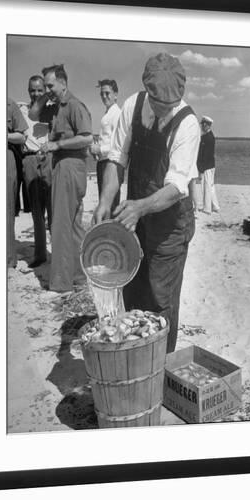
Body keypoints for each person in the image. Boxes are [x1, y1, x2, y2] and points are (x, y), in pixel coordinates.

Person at [93, 53, 200, 352]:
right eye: (158, 104)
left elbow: (177, 187)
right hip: (136, 219)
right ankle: (137, 360)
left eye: (170, 106)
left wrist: (139, 207)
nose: (164, 111)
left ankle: (160, 367)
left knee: (160, 299)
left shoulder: (188, 124)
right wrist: (105, 200)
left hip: (170, 226)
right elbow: (116, 159)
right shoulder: (132, 105)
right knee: (135, 291)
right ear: (148, 93)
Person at [31, 64, 93, 293]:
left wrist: (57, 144)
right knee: (75, 226)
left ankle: (60, 282)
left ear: (64, 83)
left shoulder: (74, 106)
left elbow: (86, 138)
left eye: (50, 85)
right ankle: (78, 277)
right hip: (64, 167)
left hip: (70, 166)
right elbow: (33, 115)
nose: (47, 89)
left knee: (59, 225)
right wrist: (43, 96)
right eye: (45, 85)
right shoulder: (54, 107)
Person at [20, 76, 57, 268]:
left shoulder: (51, 110)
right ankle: (40, 254)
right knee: (36, 211)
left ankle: (57, 254)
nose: (36, 94)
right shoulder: (22, 110)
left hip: (48, 159)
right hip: (29, 160)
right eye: (32, 90)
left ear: (45, 91)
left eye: (39, 90)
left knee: (53, 209)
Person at [89, 79, 121, 212]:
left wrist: (99, 149)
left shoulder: (117, 114)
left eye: (107, 93)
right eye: (102, 94)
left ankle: (111, 230)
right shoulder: (107, 113)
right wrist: (96, 152)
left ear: (116, 94)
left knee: (110, 203)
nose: (104, 96)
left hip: (111, 163)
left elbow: (119, 144)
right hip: (103, 162)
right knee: (104, 202)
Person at [7, 97, 28, 268]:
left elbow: (22, 136)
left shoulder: (9, 104)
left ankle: (8, 259)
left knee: (6, 211)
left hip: (6, 157)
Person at [196, 115, 220, 214]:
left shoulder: (208, 138)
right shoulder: (207, 137)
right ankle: (215, 206)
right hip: (209, 165)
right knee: (210, 186)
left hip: (207, 166)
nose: (201, 126)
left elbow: (206, 155)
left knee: (206, 186)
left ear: (207, 125)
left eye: (203, 124)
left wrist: (201, 168)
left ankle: (207, 208)